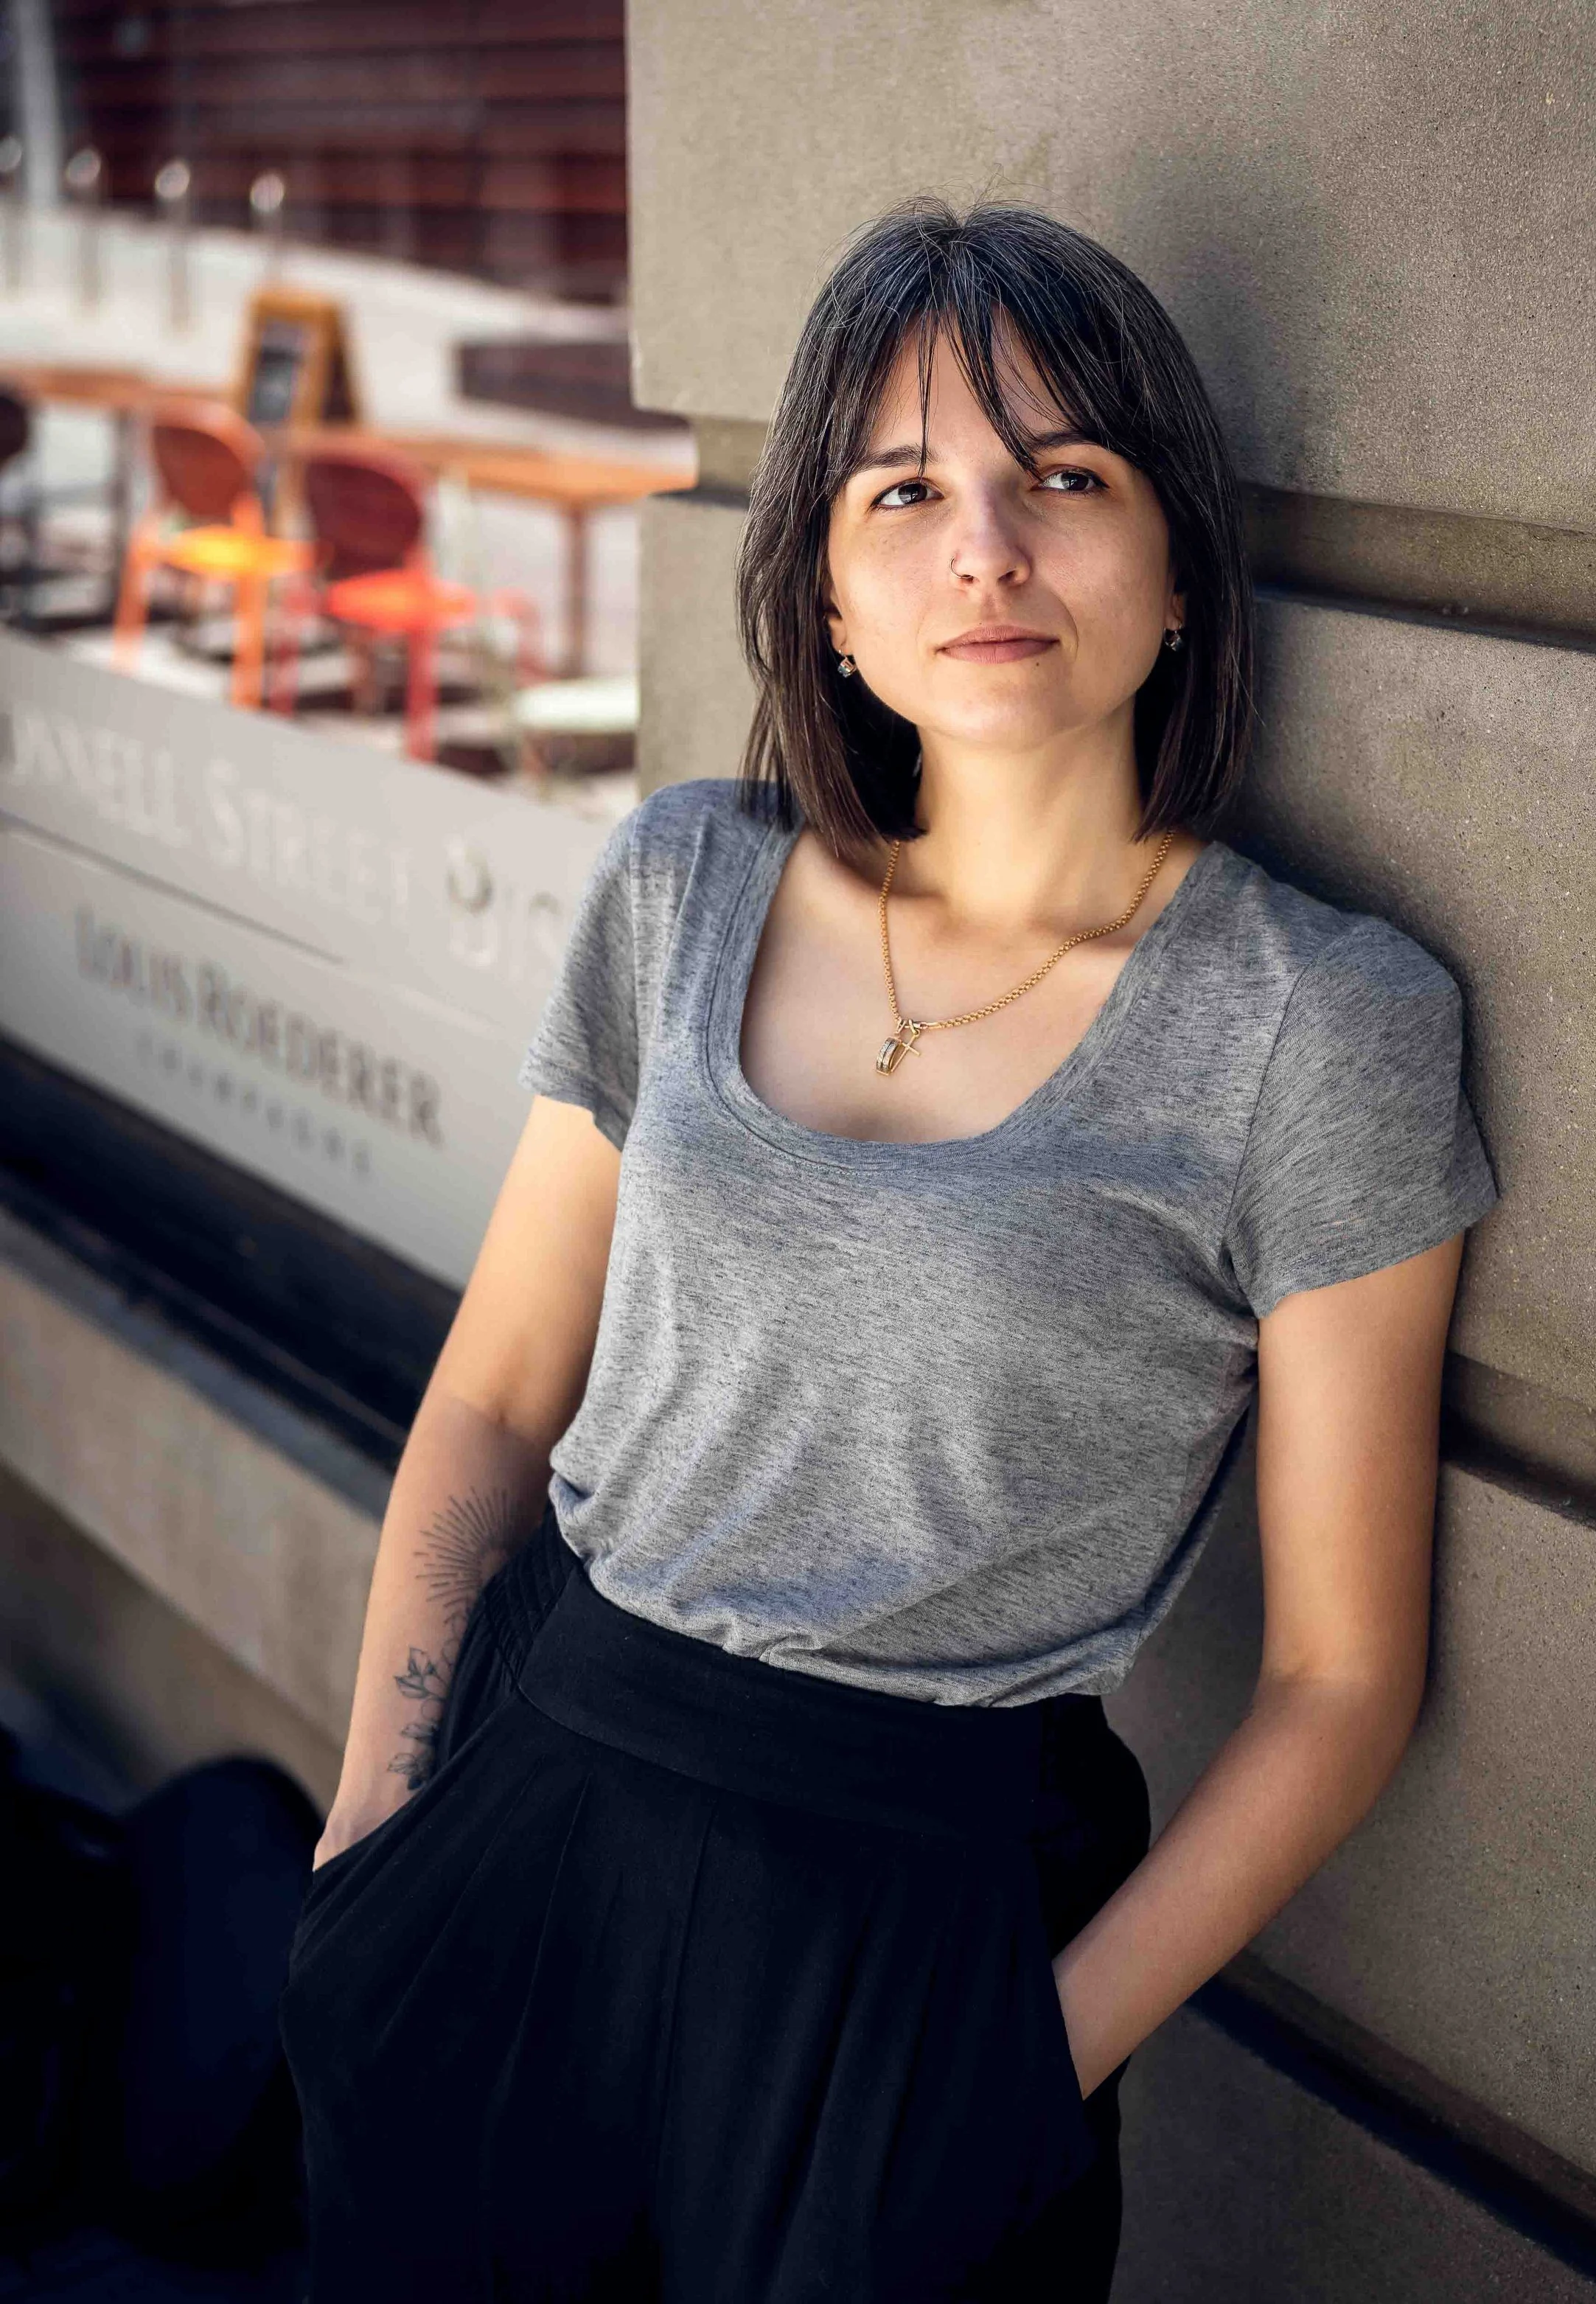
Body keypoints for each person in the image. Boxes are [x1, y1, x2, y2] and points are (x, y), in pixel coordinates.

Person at [279, 197, 1500, 2303]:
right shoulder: (679, 879)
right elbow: (492, 1393)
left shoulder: (1319, 1020)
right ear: (827, 596)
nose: (986, 547)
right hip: (527, 1820)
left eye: (1066, 477)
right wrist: (376, 1835)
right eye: (904, 487)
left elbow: (1335, 1677)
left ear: (1178, 563)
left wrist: (1027, 2061)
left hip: (915, 1927)